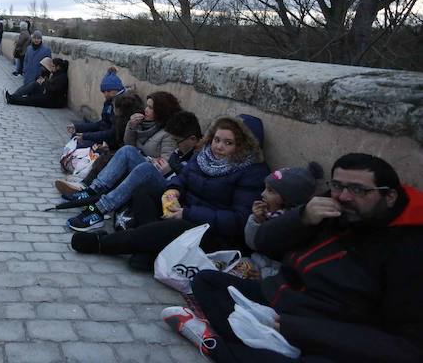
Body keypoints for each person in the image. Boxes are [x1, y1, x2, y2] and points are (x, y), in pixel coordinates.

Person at [166, 153, 423, 363]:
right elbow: (263, 242)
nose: (344, 196)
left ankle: (218, 344)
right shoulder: (328, 210)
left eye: (358, 190)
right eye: (338, 186)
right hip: (276, 297)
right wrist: (302, 219)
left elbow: (405, 345)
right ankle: (247, 347)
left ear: (389, 196)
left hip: (322, 327)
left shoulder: (406, 248)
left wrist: (293, 328)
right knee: (206, 281)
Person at [71, 115, 267, 271]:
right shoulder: (204, 156)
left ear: (242, 146)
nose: (219, 147)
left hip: (210, 231)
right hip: (185, 210)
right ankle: (149, 253)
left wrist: (188, 213)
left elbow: (239, 219)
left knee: (172, 227)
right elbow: (183, 178)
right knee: (144, 191)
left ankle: (102, 243)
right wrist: (173, 190)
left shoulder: (252, 172)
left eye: (228, 143)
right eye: (216, 140)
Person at [64, 101, 194, 232]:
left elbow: (176, 173)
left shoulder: (176, 142)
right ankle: (93, 190)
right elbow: (129, 144)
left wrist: (168, 171)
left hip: (165, 184)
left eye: (150, 107)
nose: (146, 110)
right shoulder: (150, 127)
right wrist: (131, 126)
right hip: (149, 167)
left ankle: (100, 209)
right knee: (127, 151)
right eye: (146, 106)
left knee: (144, 168)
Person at [66, 67, 124, 147]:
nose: (105, 94)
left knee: (81, 143)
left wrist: (85, 136)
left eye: (109, 91)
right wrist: (77, 127)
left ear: (117, 90)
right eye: (104, 92)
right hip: (105, 135)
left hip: (112, 141)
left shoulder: (121, 104)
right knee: (75, 136)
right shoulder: (109, 102)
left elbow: (112, 133)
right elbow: (102, 124)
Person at [4, 58, 68, 108]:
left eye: (53, 66)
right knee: (34, 84)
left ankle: (12, 100)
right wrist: (43, 81)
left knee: (30, 100)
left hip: (53, 101)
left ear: (58, 67)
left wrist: (44, 82)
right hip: (47, 94)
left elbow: (54, 89)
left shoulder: (62, 77)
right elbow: (50, 84)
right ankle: (13, 96)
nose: (52, 68)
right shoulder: (56, 74)